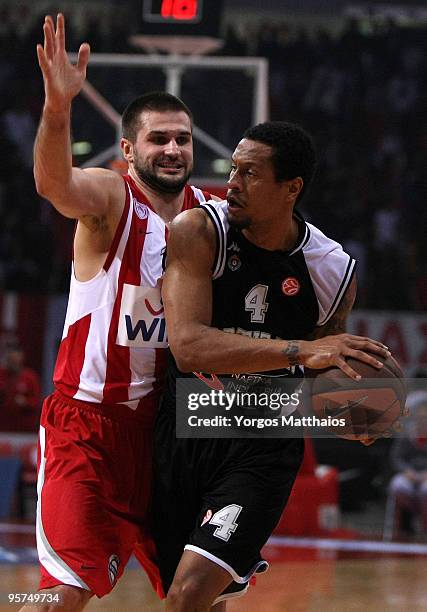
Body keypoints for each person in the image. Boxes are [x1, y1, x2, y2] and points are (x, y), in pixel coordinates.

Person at [153, 121, 392, 611]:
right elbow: (188, 347)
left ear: (292, 189)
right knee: (206, 600)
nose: (233, 183)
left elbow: (332, 367)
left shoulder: (330, 270)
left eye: (250, 174)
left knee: (188, 596)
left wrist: (360, 409)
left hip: (261, 445)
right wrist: (299, 351)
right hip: (185, 425)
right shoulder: (198, 230)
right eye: (233, 169)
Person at [22, 13, 216, 611]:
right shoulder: (112, 199)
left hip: (168, 433)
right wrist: (58, 109)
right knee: (66, 593)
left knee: (203, 594)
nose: (173, 149)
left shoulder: (212, 217)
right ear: (129, 149)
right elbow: (55, 184)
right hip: (90, 428)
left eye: (182, 138)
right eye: (159, 139)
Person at [389, 395, 427, 535]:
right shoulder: (406, 434)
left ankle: (424, 527)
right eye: (421, 416)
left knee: (426, 491)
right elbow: (396, 457)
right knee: (398, 486)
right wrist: (406, 470)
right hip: (408, 474)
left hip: (426, 477)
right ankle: (405, 524)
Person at [0, 340, 41, 432]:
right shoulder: (1, 375)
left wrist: (26, 402)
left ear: (21, 358)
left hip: (24, 430)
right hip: (3, 428)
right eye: (10, 360)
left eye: (15, 360)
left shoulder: (30, 377)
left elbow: (37, 402)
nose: (13, 363)